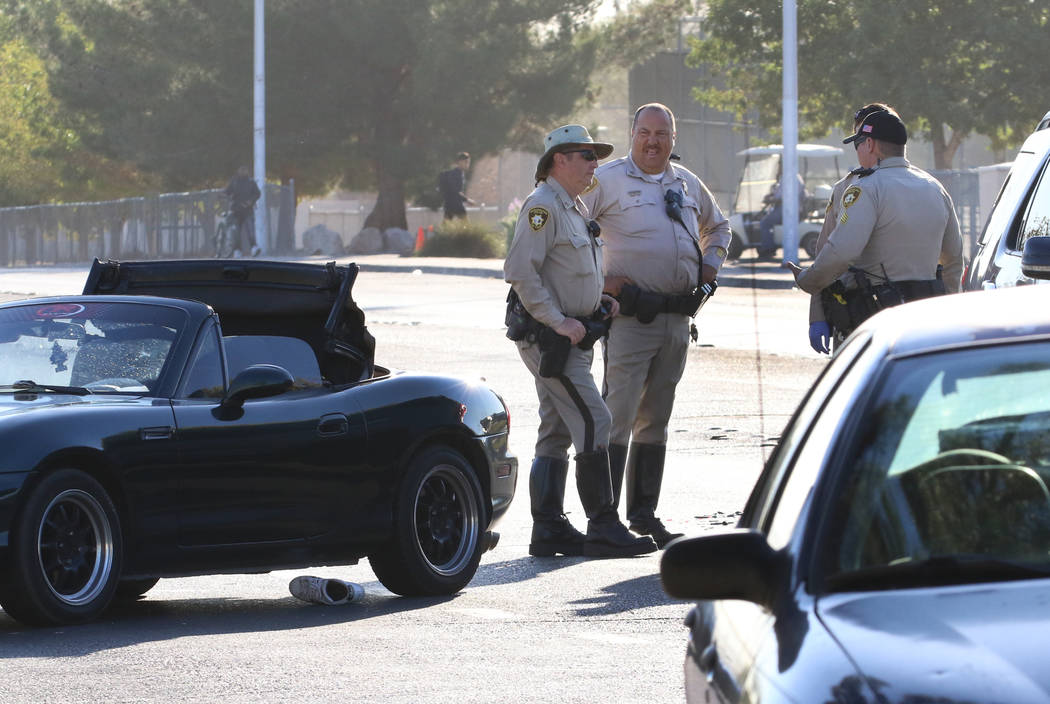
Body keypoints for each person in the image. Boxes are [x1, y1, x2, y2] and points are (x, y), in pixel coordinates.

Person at [581, 103, 732, 549]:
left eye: (662, 134)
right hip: (629, 318)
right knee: (618, 414)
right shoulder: (606, 180)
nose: (653, 141)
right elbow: (570, 231)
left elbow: (719, 228)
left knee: (657, 419)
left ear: (673, 138)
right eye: (645, 132)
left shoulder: (686, 183)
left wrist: (709, 267)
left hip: (676, 318)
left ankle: (643, 514)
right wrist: (599, 281)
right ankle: (603, 522)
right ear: (631, 134)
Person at [504, 124, 658, 558]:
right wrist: (557, 321)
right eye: (586, 155)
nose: (594, 163)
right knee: (596, 420)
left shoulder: (570, 207)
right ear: (559, 160)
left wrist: (597, 305)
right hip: (551, 339)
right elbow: (520, 271)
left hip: (573, 334)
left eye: (596, 156)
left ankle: (549, 528)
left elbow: (568, 272)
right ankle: (604, 525)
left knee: (555, 428)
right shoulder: (542, 207)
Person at [786, 109, 964, 344]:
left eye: (858, 144)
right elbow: (953, 259)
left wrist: (808, 280)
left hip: (873, 319)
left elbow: (840, 252)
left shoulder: (866, 188)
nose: (857, 151)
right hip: (923, 322)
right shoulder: (935, 188)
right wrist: (944, 310)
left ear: (869, 144)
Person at [805, 103, 900, 353]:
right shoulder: (844, 189)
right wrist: (818, 315)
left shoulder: (918, 185)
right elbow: (825, 253)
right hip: (855, 310)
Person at [756, 169, 807, 259]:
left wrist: (770, 198)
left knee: (765, 223)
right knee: (769, 218)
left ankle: (768, 248)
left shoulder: (788, 178)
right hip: (795, 209)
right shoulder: (797, 177)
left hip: (787, 210)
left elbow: (780, 197)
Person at [224, 166, 261, 256]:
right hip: (236, 210)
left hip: (248, 210)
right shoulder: (234, 181)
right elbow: (227, 192)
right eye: (241, 169)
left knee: (250, 230)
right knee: (236, 232)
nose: (243, 171)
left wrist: (250, 201)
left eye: (245, 169)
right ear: (238, 170)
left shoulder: (251, 182)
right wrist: (223, 195)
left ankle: (254, 248)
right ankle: (237, 250)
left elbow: (257, 193)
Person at [438, 152, 476, 219]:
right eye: (466, 162)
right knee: (465, 226)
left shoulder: (460, 173)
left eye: (468, 162)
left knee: (446, 227)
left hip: (451, 204)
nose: (468, 164)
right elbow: (455, 190)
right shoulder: (455, 174)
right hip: (454, 204)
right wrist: (467, 200)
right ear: (460, 162)